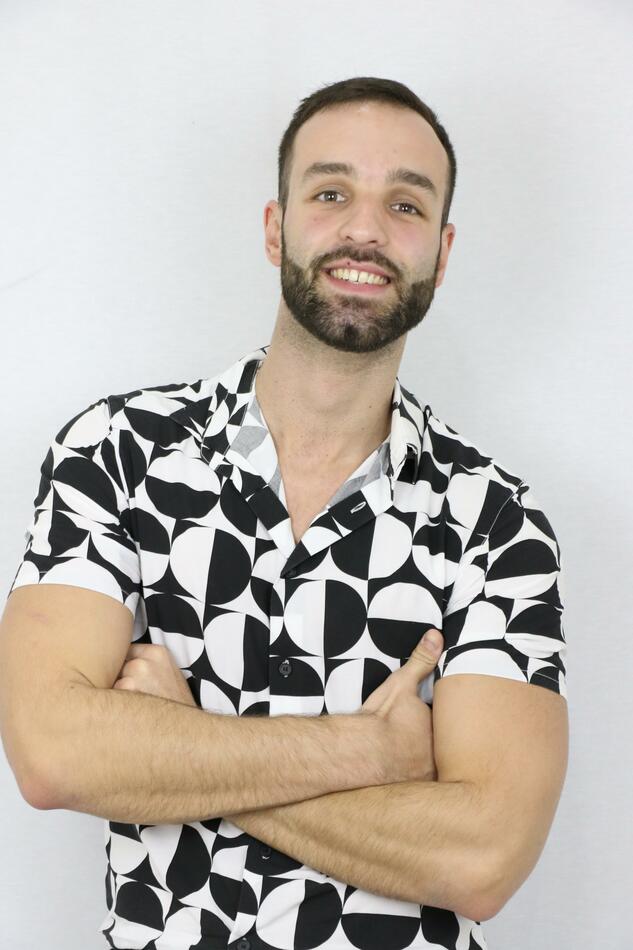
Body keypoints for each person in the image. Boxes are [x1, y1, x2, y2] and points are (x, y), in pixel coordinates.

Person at [0, 76, 568, 950]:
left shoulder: (497, 524)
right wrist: (368, 754)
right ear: (275, 227)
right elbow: (50, 753)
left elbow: (484, 858)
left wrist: (180, 741)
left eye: (405, 205)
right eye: (330, 193)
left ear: (441, 251)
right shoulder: (117, 453)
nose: (365, 230)